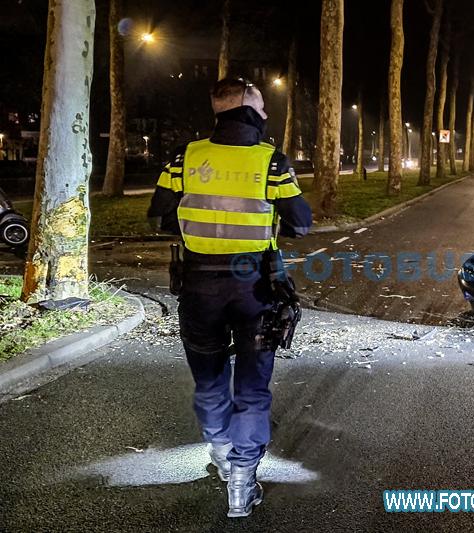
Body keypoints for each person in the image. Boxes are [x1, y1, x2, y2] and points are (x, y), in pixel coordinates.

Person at [147, 77, 312, 518]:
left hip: (198, 288)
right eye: (261, 108)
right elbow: (301, 221)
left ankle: (221, 450)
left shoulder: (186, 156)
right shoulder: (270, 161)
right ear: (250, 110)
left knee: (209, 377)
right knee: (253, 387)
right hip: (255, 287)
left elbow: (160, 214)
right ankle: (242, 480)